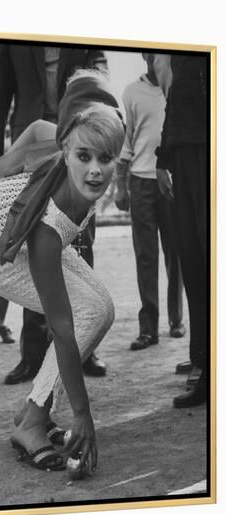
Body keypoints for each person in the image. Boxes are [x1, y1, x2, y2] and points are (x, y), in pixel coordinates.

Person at [0, 70, 125, 471]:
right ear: (66, 149)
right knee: (83, 315)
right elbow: (62, 327)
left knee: (102, 309)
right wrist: (83, 414)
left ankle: (31, 410)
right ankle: (32, 423)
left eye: (105, 159)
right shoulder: (50, 224)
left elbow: (35, 127)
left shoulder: (78, 134)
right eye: (83, 157)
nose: (94, 170)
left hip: (26, 230)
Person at [0, 43, 110, 384]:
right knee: (33, 244)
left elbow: (99, 76)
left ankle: (84, 348)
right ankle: (32, 355)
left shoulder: (85, 31)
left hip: (80, 142)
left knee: (81, 245)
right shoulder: (12, 37)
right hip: (32, 147)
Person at [114, 53, 184, 351]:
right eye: (154, 52)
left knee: (176, 254)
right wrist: (120, 186)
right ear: (145, 55)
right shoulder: (131, 92)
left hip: (171, 180)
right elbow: (127, 140)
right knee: (146, 255)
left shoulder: (178, 87)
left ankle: (176, 320)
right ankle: (148, 329)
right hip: (140, 181)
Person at [154, 54, 208, 408]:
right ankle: (205, 367)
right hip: (184, 155)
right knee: (192, 260)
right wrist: (162, 158)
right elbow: (176, 97)